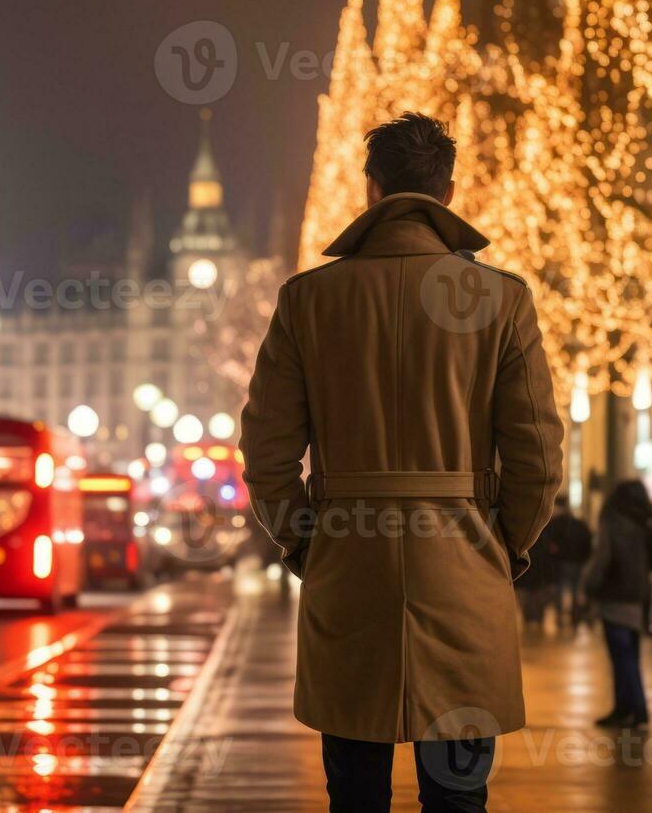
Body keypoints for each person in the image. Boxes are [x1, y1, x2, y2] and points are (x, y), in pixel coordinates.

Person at [241, 113, 564, 813]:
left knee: (353, 795)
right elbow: (536, 453)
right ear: (446, 191)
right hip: (463, 571)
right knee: (456, 797)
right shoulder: (499, 299)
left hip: (347, 570)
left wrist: (301, 540)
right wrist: (504, 544)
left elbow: (266, 453)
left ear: (370, 189)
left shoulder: (308, 300)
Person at [584, 479, 652, 728]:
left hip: (615, 598)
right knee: (630, 655)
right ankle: (624, 708)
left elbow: (602, 557)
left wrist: (589, 586)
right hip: (639, 597)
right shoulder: (645, 521)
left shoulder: (613, 520)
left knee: (622, 657)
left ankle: (636, 710)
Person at [549, 496, 593, 628]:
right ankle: (575, 616)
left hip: (561, 561)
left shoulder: (555, 523)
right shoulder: (580, 524)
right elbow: (588, 542)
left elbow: (550, 544)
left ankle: (560, 617)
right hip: (577, 562)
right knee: (574, 590)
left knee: (560, 590)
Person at [515, 515, 557, 629]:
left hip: (530, 570)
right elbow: (546, 556)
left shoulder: (525, 534)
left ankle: (530, 617)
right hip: (537, 571)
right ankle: (535, 617)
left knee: (529, 595)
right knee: (535, 595)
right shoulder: (544, 536)